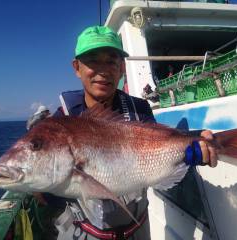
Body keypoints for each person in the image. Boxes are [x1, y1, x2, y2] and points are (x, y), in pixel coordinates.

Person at [35, 25, 218, 240]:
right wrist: (48, 186)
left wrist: (194, 145)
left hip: (137, 229)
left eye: (111, 61)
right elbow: (47, 198)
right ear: (77, 67)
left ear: (121, 68)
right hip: (84, 232)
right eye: (93, 60)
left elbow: (159, 145)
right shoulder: (62, 122)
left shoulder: (139, 110)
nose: (103, 71)